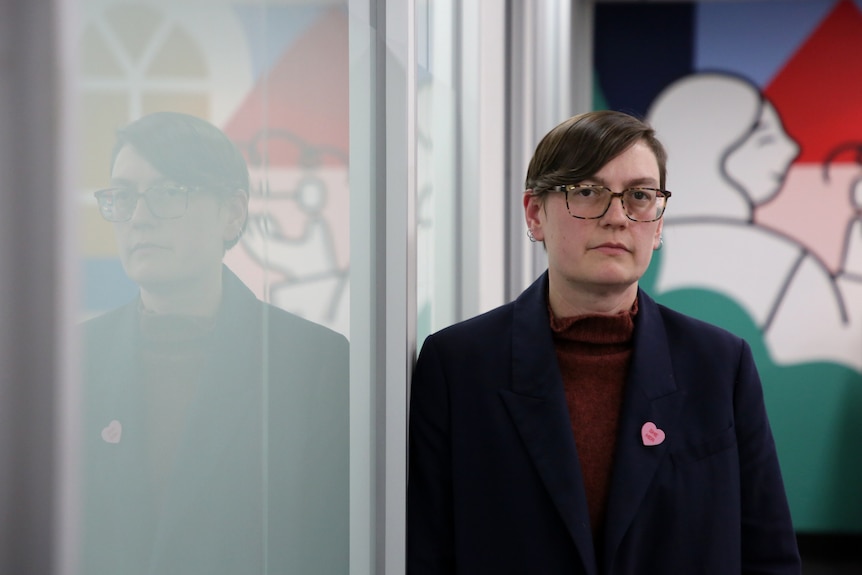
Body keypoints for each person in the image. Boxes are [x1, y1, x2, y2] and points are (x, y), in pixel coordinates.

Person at [407, 110, 801, 574]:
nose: (617, 217)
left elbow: (768, 556)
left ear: (657, 225)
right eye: (588, 192)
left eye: (639, 196)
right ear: (535, 214)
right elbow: (427, 556)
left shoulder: (719, 364)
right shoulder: (459, 365)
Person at [80, 111, 348, 575]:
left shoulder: (313, 364)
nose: (139, 218)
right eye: (123, 197)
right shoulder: (71, 363)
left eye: (167, 194)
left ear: (232, 213)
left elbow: (329, 546)